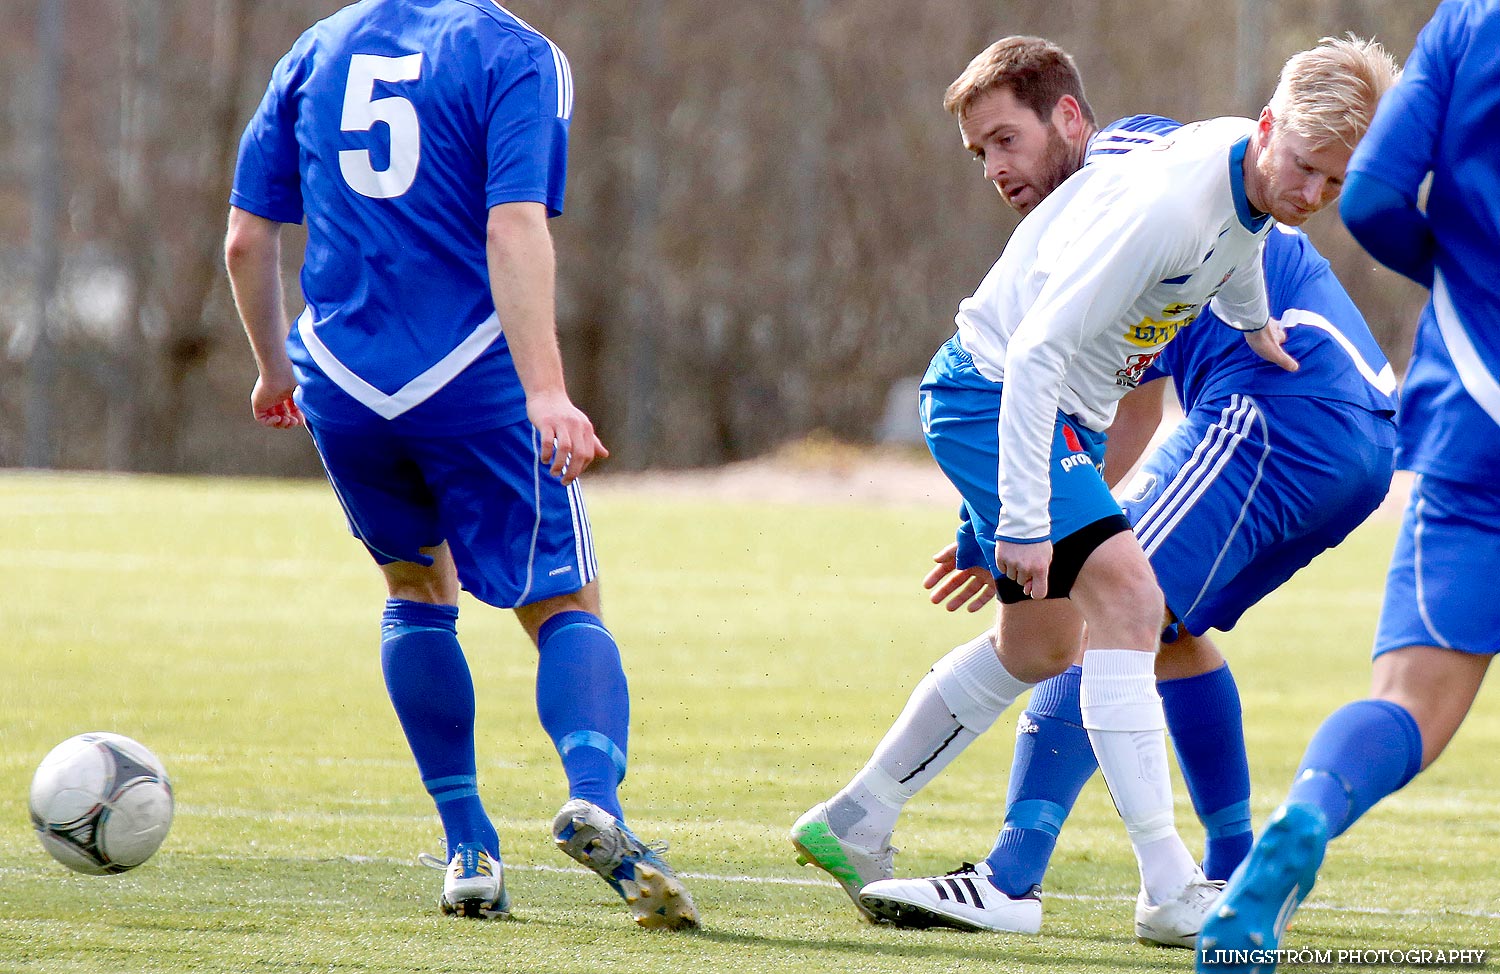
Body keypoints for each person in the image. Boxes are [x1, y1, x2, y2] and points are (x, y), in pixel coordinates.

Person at [791, 35, 1395, 947]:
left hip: (1039, 410)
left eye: (1006, 141)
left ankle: (856, 819)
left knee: (1037, 646)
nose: (996, 170)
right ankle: (1154, 885)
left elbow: (1232, 248)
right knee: (1130, 600)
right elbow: (1028, 354)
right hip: (995, 398)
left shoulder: (1190, 176)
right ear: (1270, 129)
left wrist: (1255, 326)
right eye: (981, 150)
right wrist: (1023, 521)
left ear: (1070, 120)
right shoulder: (1160, 193)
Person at [223, 0, 697, 929]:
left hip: (345, 384)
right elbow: (513, 224)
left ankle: (468, 847)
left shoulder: (315, 50)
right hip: (469, 376)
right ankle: (593, 793)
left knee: (414, 592)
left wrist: (275, 369)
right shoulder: (515, 52)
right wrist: (548, 391)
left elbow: (246, 237)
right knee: (563, 601)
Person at [1198, 3, 1500, 970]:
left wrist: (1462, 281)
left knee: (1412, 699)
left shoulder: (1469, 25)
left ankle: (1308, 813)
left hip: (1476, 414)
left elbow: (1369, 198)